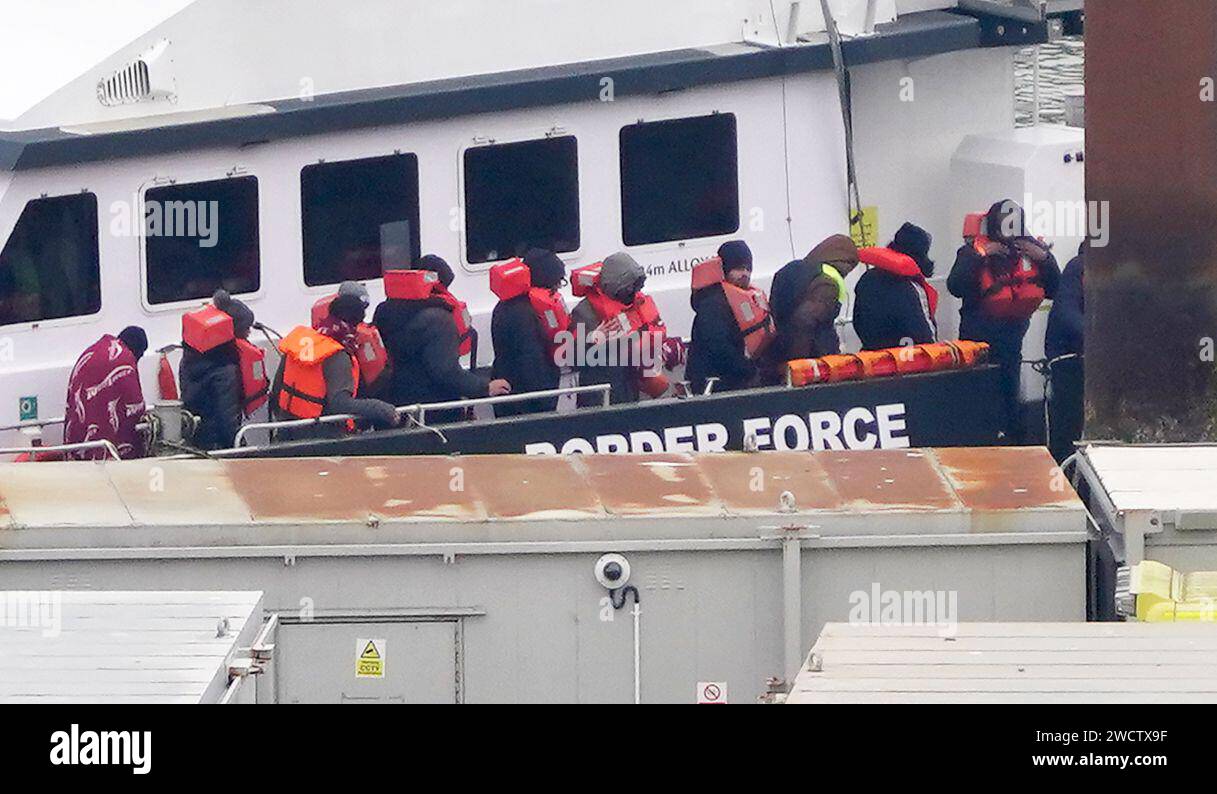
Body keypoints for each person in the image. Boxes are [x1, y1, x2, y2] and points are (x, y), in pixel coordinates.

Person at [947, 200, 1060, 443]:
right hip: (977, 343)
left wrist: (1045, 258)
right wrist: (982, 255)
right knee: (977, 399)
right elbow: (955, 285)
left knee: (1011, 399)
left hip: (1011, 339)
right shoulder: (972, 252)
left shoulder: (1032, 251)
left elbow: (1055, 288)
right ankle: (978, 443)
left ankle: (1016, 444)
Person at [373, 254, 509, 423]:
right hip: (435, 410)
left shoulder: (384, 311)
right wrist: (484, 387)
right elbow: (445, 371)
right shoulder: (439, 319)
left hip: (395, 404)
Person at [272, 281, 400, 439]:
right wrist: (380, 408)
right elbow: (340, 403)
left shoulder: (299, 342)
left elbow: (277, 389)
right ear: (355, 322)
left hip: (287, 430)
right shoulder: (337, 355)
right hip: (320, 436)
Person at [569, 252, 667, 405]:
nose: (633, 293)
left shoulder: (635, 304)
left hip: (629, 387)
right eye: (629, 289)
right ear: (615, 286)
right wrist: (594, 338)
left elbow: (649, 336)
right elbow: (572, 359)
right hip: (599, 395)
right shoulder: (585, 312)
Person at [759, 235, 858, 385]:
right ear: (846, 261)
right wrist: (800, 365)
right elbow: (804, 320)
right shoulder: (829, 281)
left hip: (776, 354)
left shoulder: (793, 269)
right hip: (811, 363)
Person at [180, 290, 268, 450]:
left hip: (196, 439)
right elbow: (227, 418)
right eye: (246, 328)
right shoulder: (226, 370)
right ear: (234, 331)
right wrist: (240, 447)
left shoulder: (191, 356)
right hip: (217, 445)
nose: (249, 332)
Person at [685, 240, 773, 393]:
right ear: (724, 270)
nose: (745, 274)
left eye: (748, 269)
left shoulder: (746, 299)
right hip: (712, 386)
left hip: (733, 382)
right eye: (738, 268)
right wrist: (750, 371)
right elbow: (719, 348)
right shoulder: (712, 304)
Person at [490, 248, 569, 416]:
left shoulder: (505, 305)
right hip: (527, 402)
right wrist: (546, 399)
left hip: (511, 395)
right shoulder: (526, 313)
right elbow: (531, 361)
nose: (557, 288)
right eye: (557, 283)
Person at [62, 326, 149, 460]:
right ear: (137, 350)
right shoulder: (125, 359)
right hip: (104, 449)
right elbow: (135, 404)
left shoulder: (94, 350)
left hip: (77, 433)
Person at [854, 222, 938, 351]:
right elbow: (923, 333)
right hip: (907, 360)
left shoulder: (867, 279)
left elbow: (858, 322)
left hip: (872, 356)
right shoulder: (911, 287)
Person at [1044, 240, 1086, 461]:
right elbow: (1067, 312)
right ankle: (1064, 474)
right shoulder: (1078, 268)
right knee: (1067, 427)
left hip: (1091, 359)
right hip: (1069, 358)